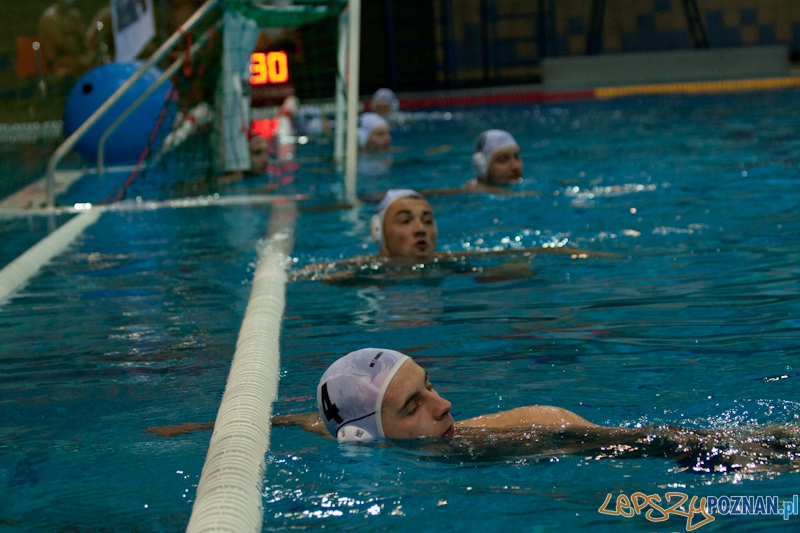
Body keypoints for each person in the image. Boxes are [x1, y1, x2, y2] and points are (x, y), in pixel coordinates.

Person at [145, 348, 800, 474]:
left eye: (430, 385)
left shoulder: (492, 440)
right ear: (365, 438)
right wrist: (210, 428)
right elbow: (303, 421)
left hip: (559, 435)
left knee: (671, 446)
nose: (444, 403)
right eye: (416, 403)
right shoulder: (351, 439)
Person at [290, 189, 609, 281]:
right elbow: (299, 277)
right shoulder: (361, 269)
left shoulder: (448, 262)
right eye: (405, 220)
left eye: (428, 221)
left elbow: (527, 253)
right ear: (379, 234)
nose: (420, 228)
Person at [420, 130, 535, 197]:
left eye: (516, 157)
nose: (515, 166)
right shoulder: (468, 194)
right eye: (502, 160)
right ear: (482, 166)